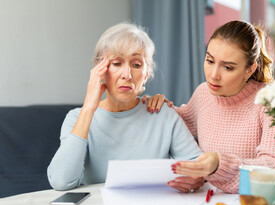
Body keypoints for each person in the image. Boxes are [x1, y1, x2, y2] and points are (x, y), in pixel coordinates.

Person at [47, 23, 204, 191]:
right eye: (116, 63)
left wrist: (197, 177)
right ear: (99, 69)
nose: (127, 75)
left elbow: (199, 166)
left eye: (137, 65)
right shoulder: (76, 118)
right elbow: (61, 180)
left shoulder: (163, 114)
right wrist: (88, 108)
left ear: (146, 75)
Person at [145, 20, 275, 193]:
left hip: (252, 203)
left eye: (227, 67)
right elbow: (177, 124)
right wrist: (160, 105)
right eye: (210, 61)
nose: (213, 75)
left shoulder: (270, 101)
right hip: (206, 199)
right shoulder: (204, 94)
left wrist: (220, 164)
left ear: (249, 70)